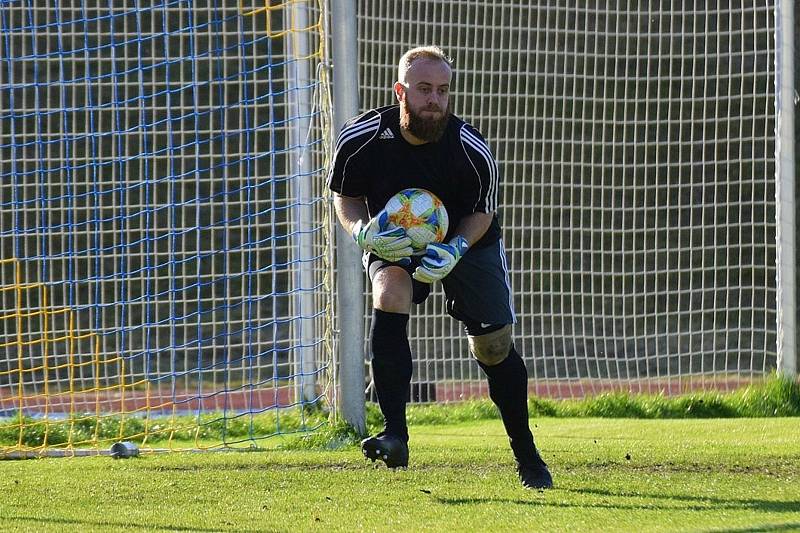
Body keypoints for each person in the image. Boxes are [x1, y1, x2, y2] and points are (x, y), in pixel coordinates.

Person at [326, 45, 553, 490]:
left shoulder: (471, 149)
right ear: (400, 92)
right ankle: (395, 434)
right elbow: (346, 196)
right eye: (424, 89)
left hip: (469, 242)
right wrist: (360, 232)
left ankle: (528, 457)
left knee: (493, 348)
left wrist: (456, 248)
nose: (434, 100)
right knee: (389, 291)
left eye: (443, 91)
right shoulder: (361, 139)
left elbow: (483, 212)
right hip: (395, 238)